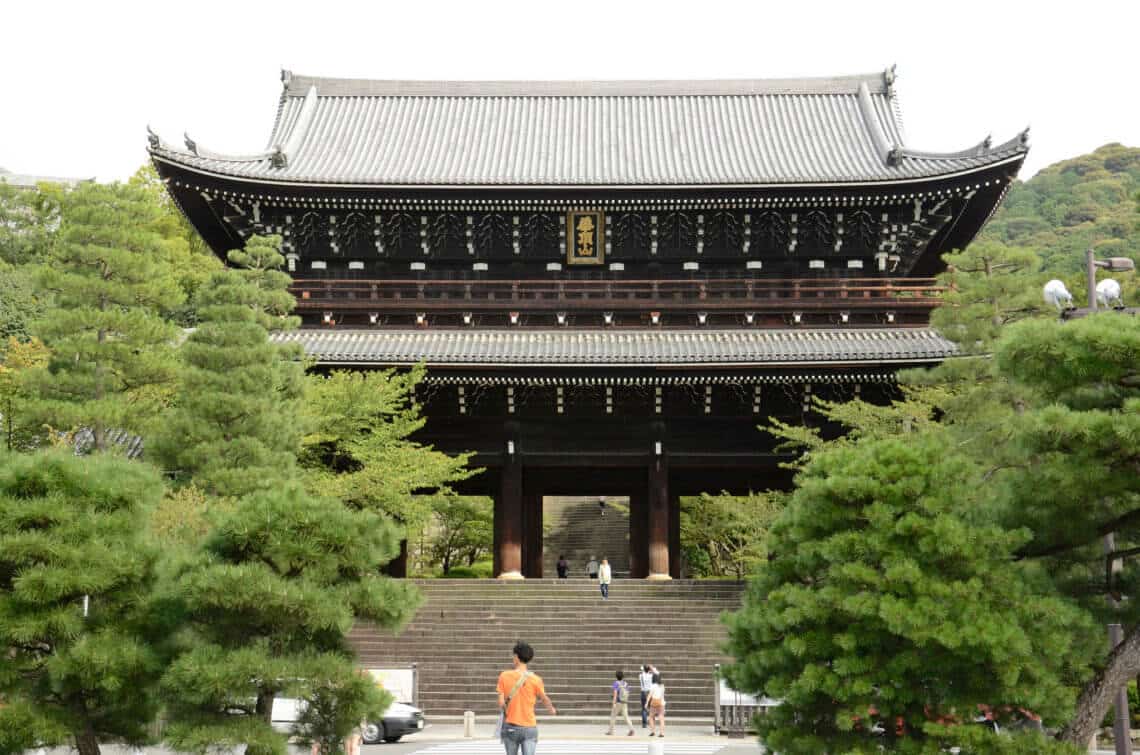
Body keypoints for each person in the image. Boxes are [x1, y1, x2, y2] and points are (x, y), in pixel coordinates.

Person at [496, 640, 556, 755]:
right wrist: (551, 709)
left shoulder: (504, 676)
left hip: (511, 726)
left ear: (516, 657)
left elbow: (501, 703)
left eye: (513, 655)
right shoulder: (536, 679)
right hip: (529, 727)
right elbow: (544, 698)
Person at [606, 670, 635, 736]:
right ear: (622, 676)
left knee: (613, 716)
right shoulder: (625, 683)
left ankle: (611, 731)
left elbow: (615, 694)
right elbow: (628, 693)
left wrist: (614, 703)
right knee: (626, 716)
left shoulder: (616, 683)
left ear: (616, 676)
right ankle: (632, 730)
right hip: (624, 702)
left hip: (618, 702)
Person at [645, 671, 666, 737]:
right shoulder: (662, 685)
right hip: (661, 703)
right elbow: (662, 695)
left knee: (651, 717)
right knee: (661, 718)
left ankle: (653, 732)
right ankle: (662, 733)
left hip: (653, 703)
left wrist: (646, 703)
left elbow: (650, 695)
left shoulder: (653, 686)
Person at [637, 664, 656, 728]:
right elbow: (655, 673)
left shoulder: (640, 676)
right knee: (651, 708)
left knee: (644, 709)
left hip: (643, 692)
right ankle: (652, 722)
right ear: (649, 670)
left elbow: (643, 672)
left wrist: (644, 669)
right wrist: (651, 669)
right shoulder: (651, 676)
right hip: (650, 692)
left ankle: (644, 724)